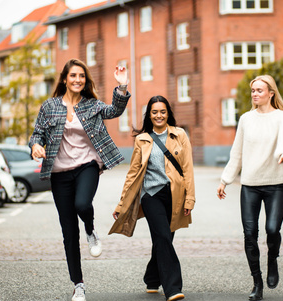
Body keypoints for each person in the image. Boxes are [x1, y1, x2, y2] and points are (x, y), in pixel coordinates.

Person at [29, 58, 130, 301]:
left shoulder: (91, 105)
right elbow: (37, 133)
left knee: (82, 205)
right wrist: (35, 146)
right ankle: (78, 284)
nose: (77, 80)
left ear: (85, 81)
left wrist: (122, 87)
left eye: (81, 76)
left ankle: (90, 229)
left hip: (87, 165)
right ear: (65, 79)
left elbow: (114, 110)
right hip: (59, 173)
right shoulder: (49, 106)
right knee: (68, 232)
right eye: (73, 75)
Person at [217, 75, 283, 301]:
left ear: (271, 93)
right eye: (253, 90)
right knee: (250, 234)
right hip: (250, 185)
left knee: (272, 229)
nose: (254, 94)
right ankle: (257, 282)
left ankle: (272, 258)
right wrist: (225, 180)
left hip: (275, 183)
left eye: (259, 90)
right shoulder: (245, 120)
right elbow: (237, 153)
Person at [110, 95, 195, 301]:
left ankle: (151, 277)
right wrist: (122, 203)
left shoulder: (180, 135)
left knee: (162, 240)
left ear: (168, 113)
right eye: (154, 112)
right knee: (164, 237)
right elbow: (133, 173)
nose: (159, 115)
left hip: (175, 195)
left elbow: (187, 169)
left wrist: (189, 199)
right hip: (151, 196)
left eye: (163, 111)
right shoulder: (142, 139)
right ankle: (173, 288)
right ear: (149, 114)